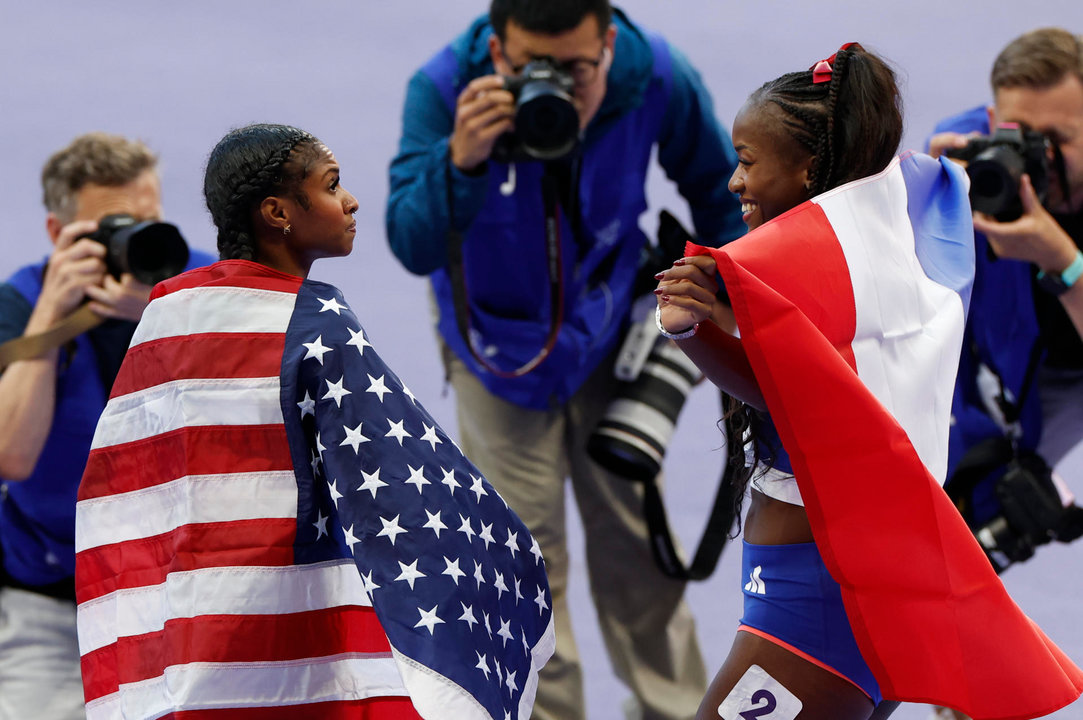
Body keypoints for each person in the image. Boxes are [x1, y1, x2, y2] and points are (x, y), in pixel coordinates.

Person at [656, 44, 1083, 719]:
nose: (733, 183)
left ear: (805, 170)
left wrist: (694, 333)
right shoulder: (864, 248)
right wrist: (700, 328)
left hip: (821, 607)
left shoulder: (845, 280)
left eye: (745, 162)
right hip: (817, 589)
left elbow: (798, 401)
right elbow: (791, 395)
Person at [74, 123, 553, 720]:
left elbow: (126, 482)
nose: (349, 201)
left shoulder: (166, 318)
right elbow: (398, 470)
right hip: (291, 631)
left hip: (191, 625)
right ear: (277, 212)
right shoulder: (314, 317)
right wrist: (505, 549)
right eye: (331, 186)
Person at [385, 2, 744, 717]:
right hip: (495, 354)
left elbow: (722, 193)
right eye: (527, 69)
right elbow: (410, 242)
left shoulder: (657, 75)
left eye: (577, 69)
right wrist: (458, 162)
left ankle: (672, 710)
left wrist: (736, 305)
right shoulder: (443, 87)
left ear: (608, 43)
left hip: (608, 327)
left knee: (637, 553)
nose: (558, 87)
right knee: (524, 566)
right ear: (495, 50)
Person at [0, 132, 215, 720]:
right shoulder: (22, 304)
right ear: (57, 234)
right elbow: (9, 455)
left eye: (148, 221)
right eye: (114, 227)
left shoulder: (204, 285)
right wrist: (52, 316)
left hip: (177, 586)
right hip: (50, 594)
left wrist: (160, 319)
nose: (136, 242)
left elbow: (255, 424)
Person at [927, 25, 1083, 557]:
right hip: (1006, 360)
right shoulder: (968, 155)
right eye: (1021, 135)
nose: (1037, 160)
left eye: (1058, 140)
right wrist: (926, 201)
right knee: (954, 534)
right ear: (995, 124)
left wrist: (1061, 262)